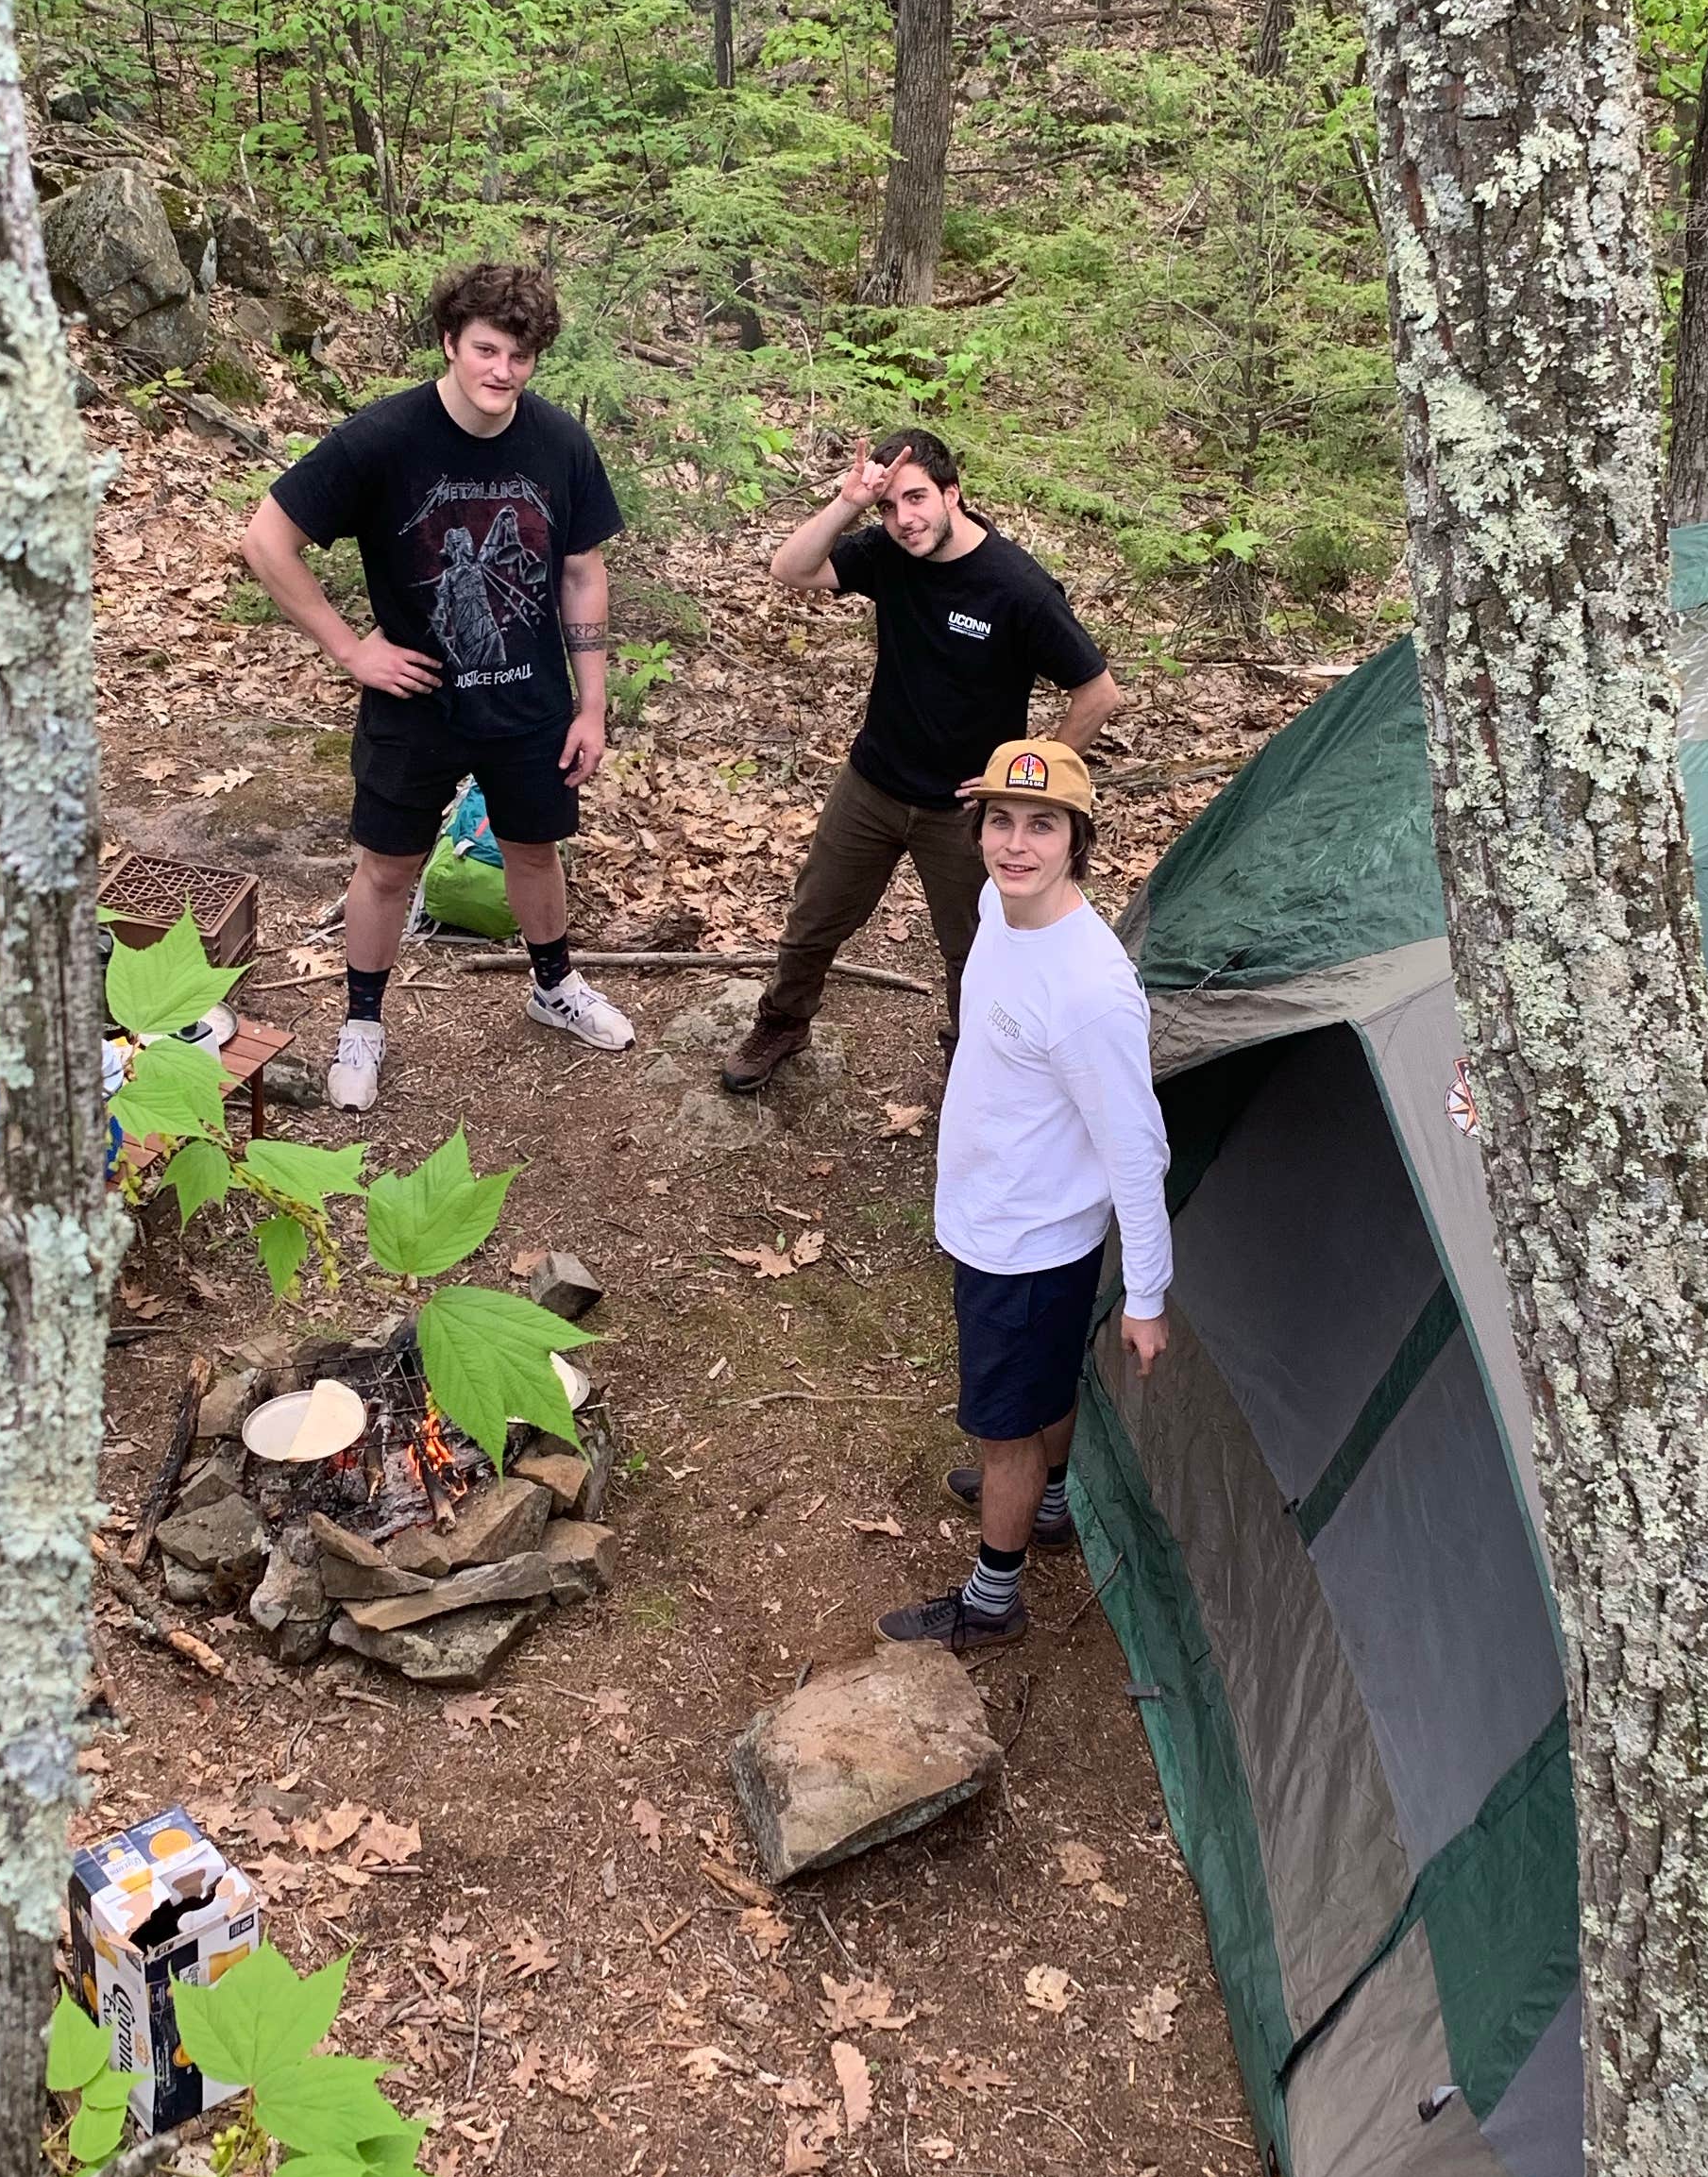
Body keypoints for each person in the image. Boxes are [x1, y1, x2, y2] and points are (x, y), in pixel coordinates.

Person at [242, 260, 635, 1112]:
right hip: (415, 701)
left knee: (533, 848)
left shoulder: (560, 442)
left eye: (520, 357)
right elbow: (268, 540)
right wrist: (351, 650)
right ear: (451, 344)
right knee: (387, 867)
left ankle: (553, 985)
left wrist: (593, 703)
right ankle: (363, 1023)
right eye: (487, 350)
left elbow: (580, 572)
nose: (503, 372)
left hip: (529, 702)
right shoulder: (383, 438)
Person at [723, 430, 1120, 1094]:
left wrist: (1023, 781)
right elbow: (790, 570)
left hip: (964, 811)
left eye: (916, 499)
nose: (904, 519)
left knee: (974, 952)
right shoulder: (888, 553)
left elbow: (1098, 693)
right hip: (873, 782)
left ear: (951, 494)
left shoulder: (1016, 587)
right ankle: (783, 1021)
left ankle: (973, 1063)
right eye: (889, 506)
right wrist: (851, 502)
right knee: (815, 917)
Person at [882, 739, 1170, 1651]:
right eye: (1000, 822)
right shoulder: (996, 908)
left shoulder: (1092, 991)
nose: (1016, 845)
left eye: (1042, 826)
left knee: (1001, 1424)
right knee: (1039, 1389)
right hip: (993, 1212)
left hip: (1032, 1239)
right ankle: (1047, 1506)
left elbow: (1139, 1149)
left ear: (1077, 841)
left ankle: (992, 1598)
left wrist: (1151, 1296)